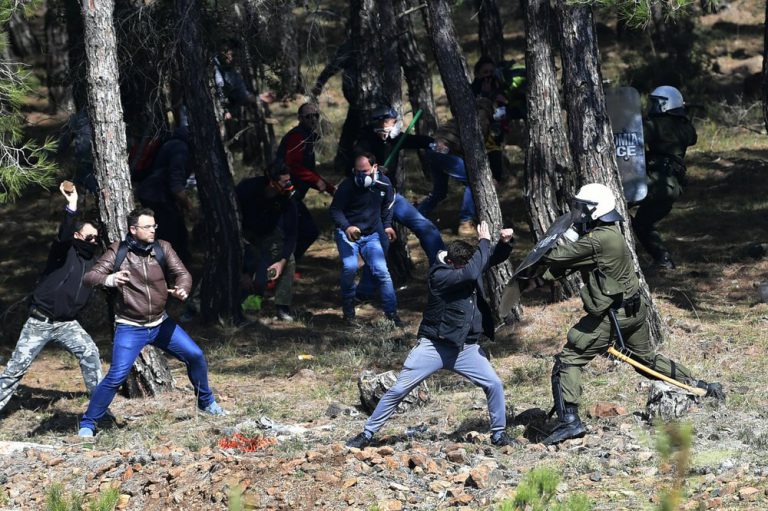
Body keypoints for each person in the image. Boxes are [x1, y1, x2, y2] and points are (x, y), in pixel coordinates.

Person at [535, 183, 724, 445]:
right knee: (645, 360)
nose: (578, 214)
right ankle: (701, 386)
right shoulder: (609, 231)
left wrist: (566, 235)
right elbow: (565, 266)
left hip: (612, 317)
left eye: (582, 209)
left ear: (595, 211)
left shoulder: (598, 240)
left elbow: (555, 257)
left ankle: (570, 422)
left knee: (568, 360)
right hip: (633, 311)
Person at [345, 221, 517, 449]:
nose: (472, 266)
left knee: (494, 384)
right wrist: (484, 240)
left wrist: (504, 244)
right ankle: (367, 434)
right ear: (452, 262)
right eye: (465, 264)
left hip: (466, 348)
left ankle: (498, 435)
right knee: (398, 390)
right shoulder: (441, 276)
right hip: (434, 346)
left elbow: (486, 260)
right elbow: (473, 270)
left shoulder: (463, 266)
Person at [77, 208, 226, 437]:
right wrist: (111, 278)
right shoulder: (118, 251)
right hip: (130, 326)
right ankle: (88, 423)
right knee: (117, 375)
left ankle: (206, 403)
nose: (153, 230)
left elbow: (182, 274)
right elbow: (89, 278)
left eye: (154, 226)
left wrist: (183, 289)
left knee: (195, 355)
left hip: (160, 323)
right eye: (147, 227)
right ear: (133, 229)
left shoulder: (162, 248)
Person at [0, 183, 103, 414]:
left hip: (67, 323)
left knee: (90, 353)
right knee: (16, 368)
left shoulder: (93, 263)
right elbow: (64, 235)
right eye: (89, 237)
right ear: (78, 235)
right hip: (40, 321)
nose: (93, 242)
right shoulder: (62, 252)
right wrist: (72, 204)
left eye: (96, 239)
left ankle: (99, 409)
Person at [351, 105, 444, 265]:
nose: (395, 124)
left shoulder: (394, 139)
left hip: (391, 197)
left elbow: (416, 140)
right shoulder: (365, 142)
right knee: (377, 247)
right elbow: (356, 165)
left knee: (426, 228)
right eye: (392, 121)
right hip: (371, 202)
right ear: (382, 122)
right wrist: (374, 170)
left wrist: (434, 143)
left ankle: (442, 266)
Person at [329, 152, 401, 326]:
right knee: (350, 266)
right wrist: (347, 227)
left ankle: (392, 316)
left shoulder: (384, 184)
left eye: (366, 171)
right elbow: (335, 210)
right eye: (358, 171)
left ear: (375, 168)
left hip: (371, 235)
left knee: (382, 272)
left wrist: (387, 225)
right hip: (347, 234)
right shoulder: (347, 186)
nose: (362, 176)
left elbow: (388, 206)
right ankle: (349, 313)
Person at [632, 86, 697, 270]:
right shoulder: (684, 126)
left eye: (656, 103)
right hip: (671, 187)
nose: (652, 107)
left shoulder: (660, 124)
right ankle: (663, 259)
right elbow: (692, 136)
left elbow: (636, 133)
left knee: (615, 201)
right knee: (642, 224)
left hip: (655, 183)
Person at [417, 98, 498, 236]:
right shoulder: (482, 116)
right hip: (444, 152)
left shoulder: (464, 114)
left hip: (433, 150)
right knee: (474, 182)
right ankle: (466, 223)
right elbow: (475, 144)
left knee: (440, 191)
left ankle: (416, 216)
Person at [236, 162, 299, 322]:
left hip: (268, 232)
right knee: (251, 263)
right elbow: (234, 223)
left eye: (289, 180)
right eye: (285, 182)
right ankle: (197, 306)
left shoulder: (287, 197)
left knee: (288, 260)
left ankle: (282, 307)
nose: (289, 185)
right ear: (272, 182)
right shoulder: (247, 190)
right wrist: (242, 272)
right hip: (242, 232)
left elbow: (292, 234)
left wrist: (282, 262)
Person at [275, 102, 336, 261]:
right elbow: (293, 166)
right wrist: (317, 181)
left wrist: (330, 189)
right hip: (284, 195)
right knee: (303, 232)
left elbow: (308, 171)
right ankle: (281, 268)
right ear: (300, 118)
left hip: (292, 196)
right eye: (308, 116)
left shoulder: (307, 137)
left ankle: (285, 266)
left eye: (316, 115)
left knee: (305, 232)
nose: (313, 119)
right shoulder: (297, 137)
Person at [135, 126, 194, 265]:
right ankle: (168, 275)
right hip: (159, 198)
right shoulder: (181, 150)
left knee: (174, 237)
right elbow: (176, 185)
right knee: (171, 240)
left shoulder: (171, 144)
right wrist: (191, 208)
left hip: (153, 195)